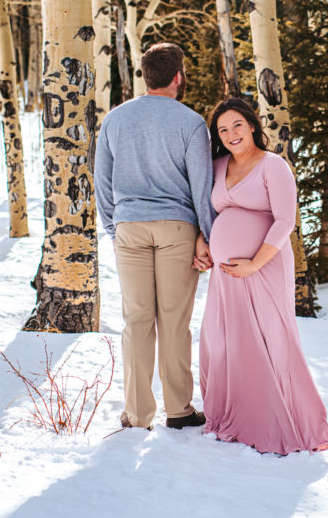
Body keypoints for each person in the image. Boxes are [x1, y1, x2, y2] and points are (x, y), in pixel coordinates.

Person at [198, 97, 328, 455]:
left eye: (237, 125)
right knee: (226, 339)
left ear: (253, 125)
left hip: (265, 266)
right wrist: (203, 241)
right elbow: (210, 213)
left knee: (271, 337)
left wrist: (255, 263)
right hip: (226, 274)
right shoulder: (218, 165)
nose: (230, 134)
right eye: (223, 129)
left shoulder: (273, 165)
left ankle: (279, 419)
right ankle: (236, 415)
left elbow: (286, 220)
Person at [95, 43, 215, 431]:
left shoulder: (115, 119)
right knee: (174, 321)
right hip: (177, 229)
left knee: (136, 321)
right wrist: (207, 237)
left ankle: (137, 414)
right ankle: (179, 410)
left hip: (130, 228)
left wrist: (115, 226)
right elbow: (202, 185)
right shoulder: (191, 122)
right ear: (178, 76)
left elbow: (102, 182)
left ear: (144, 76)